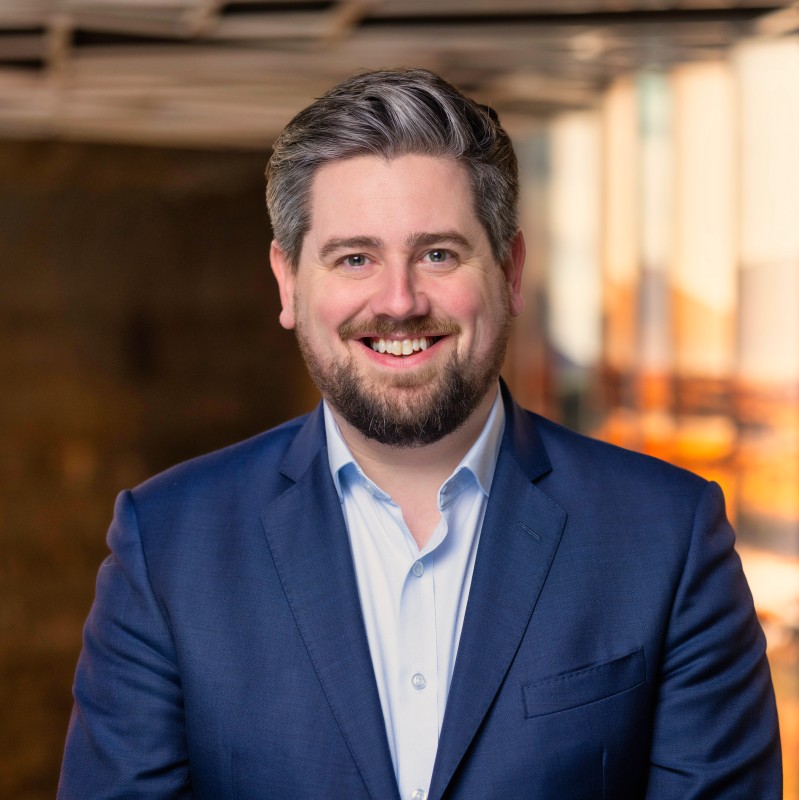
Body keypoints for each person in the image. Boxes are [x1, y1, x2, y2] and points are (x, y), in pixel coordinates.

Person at [58, 68, 781, 800]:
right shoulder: (167, 547)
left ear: (509, 270)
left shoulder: (667, 538)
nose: (399, 301)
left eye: (438, 254)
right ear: (289, 282)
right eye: (355, 258)